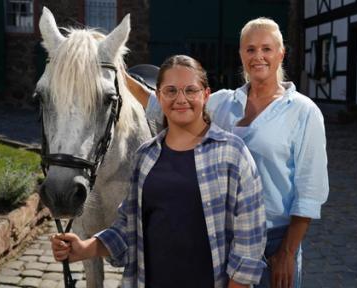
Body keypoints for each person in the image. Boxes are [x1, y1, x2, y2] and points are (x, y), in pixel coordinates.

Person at [127, 17, 329, 288]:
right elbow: (162, 103)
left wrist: (288, 252)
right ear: (241, 55)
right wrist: (116, 72)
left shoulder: (303, 112)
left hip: (274, 242)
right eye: (250, 49)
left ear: (281, 54)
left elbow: (310, 191)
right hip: (219, 239)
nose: (258, 56)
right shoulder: (223, 102)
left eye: (267, 49)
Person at [50, 55, 267, 288]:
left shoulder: (232, 153)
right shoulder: (145, 156)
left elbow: (250, 240)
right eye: (171, 91)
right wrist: (85, 248)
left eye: (191, 90)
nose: (181, 99)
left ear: (206, 95)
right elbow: (127, 227)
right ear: (158, 97)